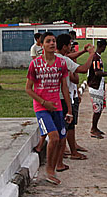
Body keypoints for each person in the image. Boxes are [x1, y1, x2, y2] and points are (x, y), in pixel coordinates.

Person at [26, 32, 72, 185]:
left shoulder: (61, 63)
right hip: (42, 107)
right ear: (42, 45)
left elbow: (64, 88)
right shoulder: (35, 64)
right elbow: (28, 89)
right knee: (54, 137)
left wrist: (69, 109)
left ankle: (54, 167)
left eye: (53, 41)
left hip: (57, 106)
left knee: (60, 139)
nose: (52, 43)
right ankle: (49, 171)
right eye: (48, 41)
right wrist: (44, 102)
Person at [56, 33, 97, 163]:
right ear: (64, 46)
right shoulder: (64, 60)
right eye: (70, 45)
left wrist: (83, 51)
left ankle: (70, 151)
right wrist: (91, 54)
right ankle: (62, 158)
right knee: (66, 127)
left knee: (67, 126)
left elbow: (70, 57)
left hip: (55, 97)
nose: (71, 48)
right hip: (63, 98)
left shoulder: (55, 58)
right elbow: (83, 69)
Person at [87, 39, 107, 139]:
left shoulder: (97, 57)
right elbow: (97, 73)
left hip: (97, 85)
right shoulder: (96, 58)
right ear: (102, 46)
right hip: (95, 86)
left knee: (99, 107)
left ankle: (95, 127)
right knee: (97, 108)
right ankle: (93, 129)